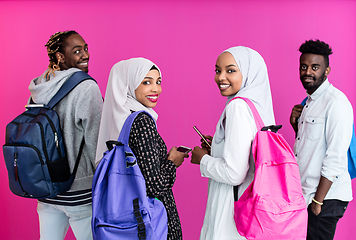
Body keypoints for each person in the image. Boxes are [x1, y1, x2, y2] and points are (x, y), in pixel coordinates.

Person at [95, 57, 187, 240]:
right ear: (128, 84)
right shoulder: (141, 121)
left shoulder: (115, 118)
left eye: (158, 81)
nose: (156, 89)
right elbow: (155, 185)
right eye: (146, 82)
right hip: (154, 222)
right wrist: (172, 161)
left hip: (125, 220)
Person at [191, 46, 275, 240]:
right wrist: (218, 148)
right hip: (252, 210)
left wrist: (202, 159)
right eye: (217, 70)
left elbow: (234, 173)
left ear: (248, 73)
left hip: (232, 210)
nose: (221, 77)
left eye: (230, 70)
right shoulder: (259, 106)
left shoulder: (238, 106)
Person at [29, 31, 103, 240]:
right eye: (76, 51)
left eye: (86, 48)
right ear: (60, 56)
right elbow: (95, 144)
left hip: (47, 190)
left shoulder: (40, 85)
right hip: (79, 192)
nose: (85, 55)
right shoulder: (86, 87)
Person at [290, 39, 353, 240]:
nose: (308, 71)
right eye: (304, 66)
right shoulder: (308, 103)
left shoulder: (336, 103)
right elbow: (310, 147)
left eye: (315, 67)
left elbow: (336, 155)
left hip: (326, 197)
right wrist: (295, 126)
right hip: (306, 195)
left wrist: (318, 201)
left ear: (327, 71)